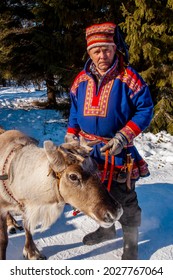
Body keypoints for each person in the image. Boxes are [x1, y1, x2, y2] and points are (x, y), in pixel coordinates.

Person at [65, 22, 153, 260]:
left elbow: (145, 110)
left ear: (115, 49)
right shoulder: (81, 80)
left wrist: (124, 135)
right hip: (89, 153)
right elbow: (74, 109)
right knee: (97, 195)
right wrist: (72, 132)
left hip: (119, 152)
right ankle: (106, 231)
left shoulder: (129, 78)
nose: (102, 55)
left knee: (124, 197)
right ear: (89, 53)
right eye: (96, 51)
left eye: (106, 49)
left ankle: (131, 243)